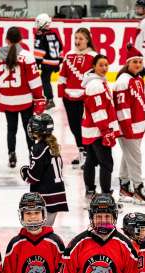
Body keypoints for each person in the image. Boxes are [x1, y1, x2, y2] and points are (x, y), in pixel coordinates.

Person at [0, 26, 45, 169]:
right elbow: (34, 81)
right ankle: (32, 155)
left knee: (11, 129)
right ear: (21, 40)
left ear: (7, 40)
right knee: (29, 128)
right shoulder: (27, 56)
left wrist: (0, 96)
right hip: (24, 100)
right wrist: (39, 98)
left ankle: (11, 155)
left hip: (7, 99)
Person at [114, 45, 145, 205]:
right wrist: (127, 128)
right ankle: (138, 189)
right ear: (128, 63)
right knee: (135, 158)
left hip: (137, 128)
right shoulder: (123, 81)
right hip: (128, 129)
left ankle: (125, 187)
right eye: (134, 62)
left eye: (140, 61)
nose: (138, 64)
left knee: (128, 156)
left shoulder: (138, 79)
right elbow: (122, 108)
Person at [20, 112, 68, 226]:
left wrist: (24, 171)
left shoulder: (38, 148)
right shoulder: (53, 146)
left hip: (45, 196)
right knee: (47, 230)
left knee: (40, 232)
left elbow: (33, 177)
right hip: (58, 194)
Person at [82, 54, 119, 202]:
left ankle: (90, 191)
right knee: (106, 162)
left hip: (91, 129)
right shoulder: (95, 85)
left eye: (106, 65)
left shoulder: (98, 82)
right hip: (97, 131)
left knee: (90, 161)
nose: (104, 68)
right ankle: (105, 195)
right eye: (101, 65)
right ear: (94, 66)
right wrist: (106, 131)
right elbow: (98, 111)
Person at [58, 28, 96, 168]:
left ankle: (88, 154)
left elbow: (96, 78)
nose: (77, 41)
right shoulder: (69, 55)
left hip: (85, 98)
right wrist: (61, 93)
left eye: (81, 38)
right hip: (69, 98)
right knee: (74, 127)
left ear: (87, 40)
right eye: (76, 38)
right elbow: (63, 75)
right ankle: (82, 151)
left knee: (85, 127)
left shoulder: (94, 56)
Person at [33, 13, 62, 110]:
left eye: (37, 22)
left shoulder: (40, 35)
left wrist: (37, 64)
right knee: (46, 80)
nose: (36, 24)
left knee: (45, 80)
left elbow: (39, 52)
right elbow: (61, 48)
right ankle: (48, 99)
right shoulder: (53, 33)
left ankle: (50, 100)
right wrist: (59, 61)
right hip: (55, 62)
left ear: (42, 23)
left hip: (46, 62)